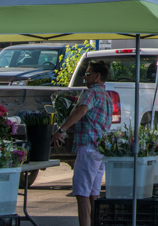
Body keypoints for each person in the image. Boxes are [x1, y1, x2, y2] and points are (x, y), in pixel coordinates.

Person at [52, 60, 112, 226]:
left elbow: (83, 109)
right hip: (100, 150)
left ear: (97, 76)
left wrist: (61, 129)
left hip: (88, 147)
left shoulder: (91, 93)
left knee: (82, 193)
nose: (84, 78)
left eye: (87, 74)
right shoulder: (106, 96)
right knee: (94, 193)